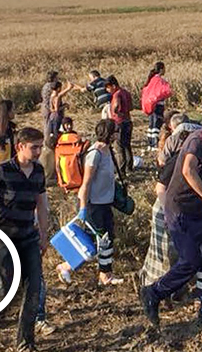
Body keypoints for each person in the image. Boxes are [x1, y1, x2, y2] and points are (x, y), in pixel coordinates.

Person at [139, 106, 202, 336]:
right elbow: (188, 170)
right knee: (191, 261)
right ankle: (153, 293)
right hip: (181, 209)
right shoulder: (198, 141)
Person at [0, 127, 51, 352]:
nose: (39, 151)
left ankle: (25, 343)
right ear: (20, 146)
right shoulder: (2, 171)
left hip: (29, 237)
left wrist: (43, 234)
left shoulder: (39, 171)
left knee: (33, 290)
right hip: (4, 239)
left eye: (40, 146)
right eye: (34, 147)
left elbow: (41, 204)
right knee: (3, 289)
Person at [56, 119, 123, 286]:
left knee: (102, 238)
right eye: (116, 130)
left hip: (104, 203)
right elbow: (85, 184)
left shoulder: (108, 151)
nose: (118, 133)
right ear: (110, 133)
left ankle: (103, 273)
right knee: (100, 239)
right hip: (94, 205)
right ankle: (72, 267)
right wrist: (83, 208)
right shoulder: (95, 154)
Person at [106, 76, 134, 174]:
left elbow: (116, 106)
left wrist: (115, 111)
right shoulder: (126, 92)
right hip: (128, 120)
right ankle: (129, 167)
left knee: (119, 147)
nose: (107, 90)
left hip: (119, 122)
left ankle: (121, 170)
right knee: (127, 145)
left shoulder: (116, 94)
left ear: (113, 86)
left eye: (108, 87)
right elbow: (131, 107)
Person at [143, 61, 169, 152]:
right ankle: (155, 144)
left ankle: (150, 144)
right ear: (161, 69)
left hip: (150, 105)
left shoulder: (151, 79)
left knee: (151, 125)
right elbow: (166, 91)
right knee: (157, 124)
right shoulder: (160, 80)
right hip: (158, 105)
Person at [40, 71, 59, 143]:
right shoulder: (52, 86)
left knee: (46, 124)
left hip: (45, 106)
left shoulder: (45, 85)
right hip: (48, 107)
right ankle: (48, 141)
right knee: (48, 125)